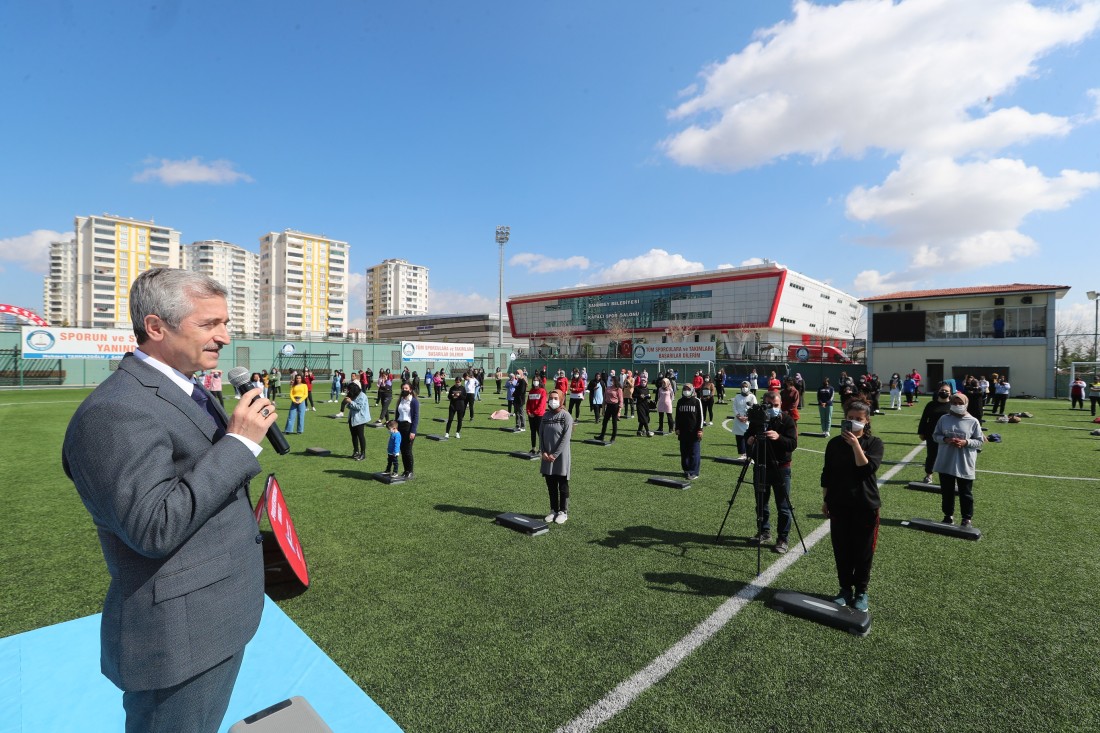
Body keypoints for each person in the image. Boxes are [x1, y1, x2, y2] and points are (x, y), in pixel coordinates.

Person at [62, 267, 275, 733]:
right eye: (209, 324)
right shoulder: (115, 410)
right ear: (156, 327)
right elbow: (152, 527)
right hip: (179, 637)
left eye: (225, 323)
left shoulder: (189, 388)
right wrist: (238, 445)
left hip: (215, 615)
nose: (224, 336)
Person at [821, 400, 884, 612]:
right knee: (842, 549)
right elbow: (827, 474)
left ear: (867, 422)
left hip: (865, 506)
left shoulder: (874, 443)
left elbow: (866, 469)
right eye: (850, 418)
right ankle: (845, 589)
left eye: (859, 419)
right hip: (839, 504)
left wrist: (856, 444)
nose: (853, 422)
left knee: (863, 552)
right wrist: (826, 499)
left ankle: (862, 592)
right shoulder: (834, 444)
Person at [747, 390, 798, 554]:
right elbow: (748, 435)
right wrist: (750, 439)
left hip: (781, 468)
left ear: (781, 404)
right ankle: (764, 531)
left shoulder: (787, 420)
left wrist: (778, 437)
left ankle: (783, 538)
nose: (773, 409)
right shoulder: (759, 419)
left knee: (783, 506)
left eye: (776, 405)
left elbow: (792, 444)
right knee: (761, 502)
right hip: (761, 465)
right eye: (770, 405)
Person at [932, 392, 984, 527]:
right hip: (946, 460)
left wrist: (965, 442)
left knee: (965, 492)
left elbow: (979, 441)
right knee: (947, 491)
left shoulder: (973, 421)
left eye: (960, 403)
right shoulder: (944, 418)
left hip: (964, 462)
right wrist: (945, 439)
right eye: (954, 403)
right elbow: (935, 435)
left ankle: (967, 518)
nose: (957, 405)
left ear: (966, 404)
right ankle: (948, 515)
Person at [540, 389, 574, 524]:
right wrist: (543, 452)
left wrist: (554, 454)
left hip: (560, 457)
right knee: (551, 485)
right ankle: (553, 510)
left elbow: (566, 438)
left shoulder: (566, 416)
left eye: (556, 398)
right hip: (547, 457)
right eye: (551, 398)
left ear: (561, 400)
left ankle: (563, 512)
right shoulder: (545, 416)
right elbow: (541, 435)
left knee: (562, 485)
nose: (553, 400)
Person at [917, 385, 953, 483]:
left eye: (946, 391)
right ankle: (929, 475)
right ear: (938, 391)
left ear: (950, 393)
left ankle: (950, 477)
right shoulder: (931, 404)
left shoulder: (953, 405)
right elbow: (924, 418)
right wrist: (921, 432)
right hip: (932, 434)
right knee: (931, 455)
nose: (944, 392)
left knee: (948, 456)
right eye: (942, 390)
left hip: (948, 436)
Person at [675, 383, 704, 480]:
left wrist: (700, 430)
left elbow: (701, 417)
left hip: (694, 432)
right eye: (684, 389)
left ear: (692, 390)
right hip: (683, 432)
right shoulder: (680, 401)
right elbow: (677, 416)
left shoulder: (696, 401)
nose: (686, 390)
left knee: (694, 453)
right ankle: (686, 470)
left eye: (688, 389)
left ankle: (694, 472)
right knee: (684, 452)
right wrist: (677, 428)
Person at [395, 383, 419, 479]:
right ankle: (405, 470)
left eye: (406, 388)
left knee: (408, 450)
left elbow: (416, 417)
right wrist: (395, 426)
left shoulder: (413, 401)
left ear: (410, 389)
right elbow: (397, 414)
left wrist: (413, 431)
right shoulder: (400, 400)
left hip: (408, 427)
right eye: (403, 388)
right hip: (400, 426)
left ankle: (410, 471)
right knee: (402, 449)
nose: (404, 389)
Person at [343, 376, 371, 460]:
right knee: (353, 436)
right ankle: (356, 451)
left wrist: (350, 402)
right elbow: (349, 406)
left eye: (349, 390)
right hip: (352, 418)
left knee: (360, 436)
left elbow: (358, 407)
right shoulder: (353, 395)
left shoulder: (362, 396)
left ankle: (363, 453)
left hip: (360, 419)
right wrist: (347, 402)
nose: (348, 392)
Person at [731, 381, 756, 459]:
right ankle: (742, 454)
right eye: (743, 386)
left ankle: (750, 455)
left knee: (748, 437)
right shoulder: (737, 397)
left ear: (749, 387)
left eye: (746, 386)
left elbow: (754, 408)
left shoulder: (752, 397)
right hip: (738, 420)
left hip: (747, 421)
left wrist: (747, 418)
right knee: (739, 437)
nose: (744, 388)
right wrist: (738, 416)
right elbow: (734, 407)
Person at [526, 374, 548, 454]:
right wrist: (528, 412)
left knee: (540, 432)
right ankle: (533, 448)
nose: (535, 382)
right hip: (531, 415)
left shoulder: (542, 391)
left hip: (539, 415)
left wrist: (534, 413)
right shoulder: (531, 391)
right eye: (534, 380)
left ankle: (541, 448)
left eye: (537, 380)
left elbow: (541, 404)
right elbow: (528, 403)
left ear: (539, 381)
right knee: (533, 432)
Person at [597, 375, 622, 442]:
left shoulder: (618, 389)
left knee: (614, 422)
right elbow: (604, 399)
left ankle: (613, 437)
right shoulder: (608, 388)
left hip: (615, 406)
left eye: (612, 380)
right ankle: (601, 436)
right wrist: (603, 409)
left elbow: (621, 401)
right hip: (609, 406)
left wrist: (619, 411)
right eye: (611, 380)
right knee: (605, 421)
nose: (611, 381)